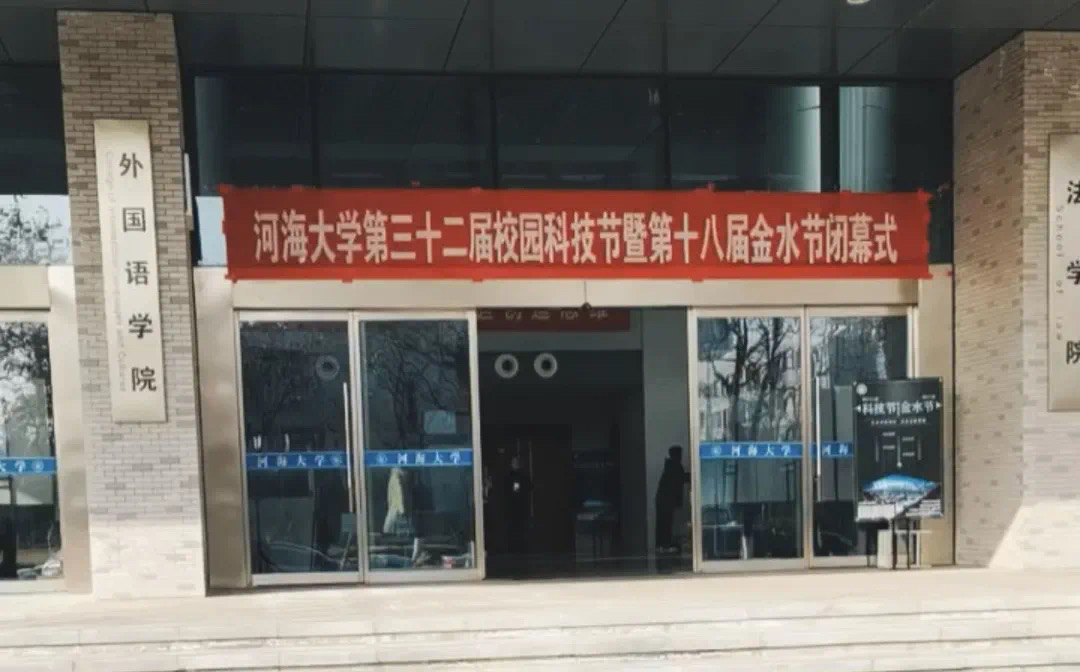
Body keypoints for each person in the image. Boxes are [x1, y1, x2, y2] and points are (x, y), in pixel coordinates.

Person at [655, 445, 690, 553]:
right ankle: (665, 544)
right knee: (666, 523)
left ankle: (661, 544)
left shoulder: (669, 466)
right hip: (667, 501)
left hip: (663, 500)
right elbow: (680, 479)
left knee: (662, 523)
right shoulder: (675, 466)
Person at [505, 455, 532, 558]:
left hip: (521, 506)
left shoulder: (523, 476)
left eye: (516, 463)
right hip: (511, 506)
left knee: (521, 528)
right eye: (513, 463)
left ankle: (521, 548)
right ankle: (513, 548)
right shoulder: (509, 476)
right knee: (513, 528)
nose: (515, 465)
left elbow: (528, 487)